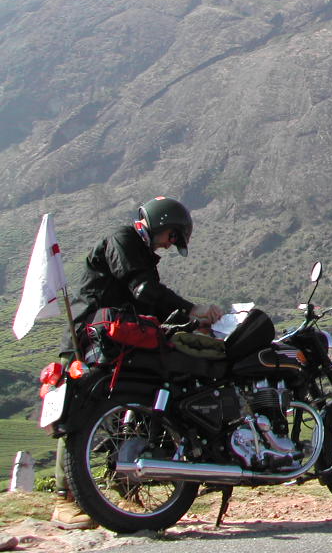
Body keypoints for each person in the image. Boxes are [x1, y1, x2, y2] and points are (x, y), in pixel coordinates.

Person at [52, 196, 223, 530]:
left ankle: (122, 487)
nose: (169, 245)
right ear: (160, 223)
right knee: (78, 415)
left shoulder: (142, 253)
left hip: (115, 341)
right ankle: (64, 500)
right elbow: (144, 291)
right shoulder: (124, 240)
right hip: (87, 339)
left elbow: (149, 301)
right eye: (171, 236)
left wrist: (190, 322)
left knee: (124, 408)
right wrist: (191, 309)